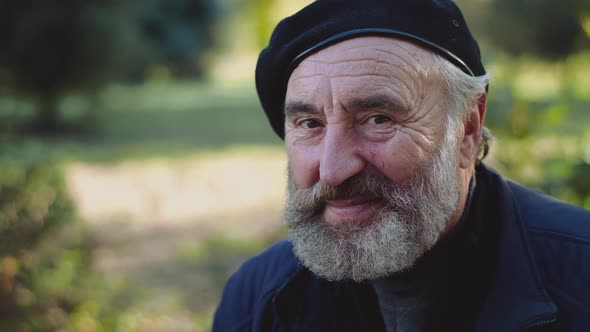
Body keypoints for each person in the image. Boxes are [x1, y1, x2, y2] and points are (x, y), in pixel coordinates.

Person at [213, 0, 590, 331]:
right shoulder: (258, 302)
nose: (332, 170)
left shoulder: (580, 280)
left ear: (467, 129)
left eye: (378, 119)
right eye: (310, 124)